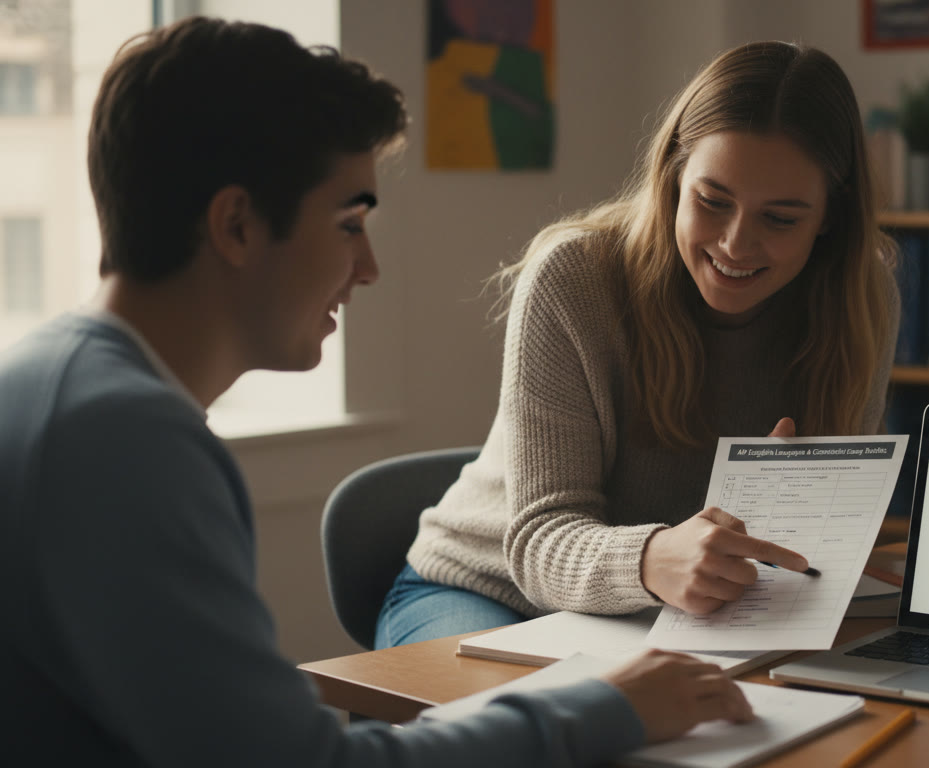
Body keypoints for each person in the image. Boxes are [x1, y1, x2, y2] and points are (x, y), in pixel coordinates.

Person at [0, 16, 752, 767]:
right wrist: (607, 709)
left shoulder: (55, 383)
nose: (368, 268)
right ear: (235, 225)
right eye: (349, 221)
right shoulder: (125, 445)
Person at [380, 40, 898, 647]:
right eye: (712, 201)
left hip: (673, 617)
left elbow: (808, 547)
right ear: (675, 178)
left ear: (830, 217)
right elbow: (540, 540)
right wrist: (655, 558)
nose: (735, 244)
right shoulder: (575, 278)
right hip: (486, 589)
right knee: (552, 729)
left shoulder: (861, 299)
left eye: (780, 219)